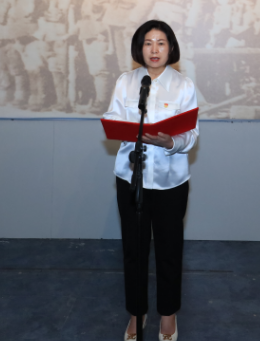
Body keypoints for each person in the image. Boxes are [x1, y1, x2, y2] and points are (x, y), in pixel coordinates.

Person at [104, 20, 197, 341]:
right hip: (131, 178)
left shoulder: (183, 85)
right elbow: (113, 118)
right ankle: (137, 312)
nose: (154, 50)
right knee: (134, 249)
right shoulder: (126, 82)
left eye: (161, 43)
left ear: (171, 48)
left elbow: (191, 134)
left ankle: (168, 315)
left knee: (169, 250)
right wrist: (125, 129)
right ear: (139, 48)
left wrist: (171, 142)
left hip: (171, 182)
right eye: (148, 43)